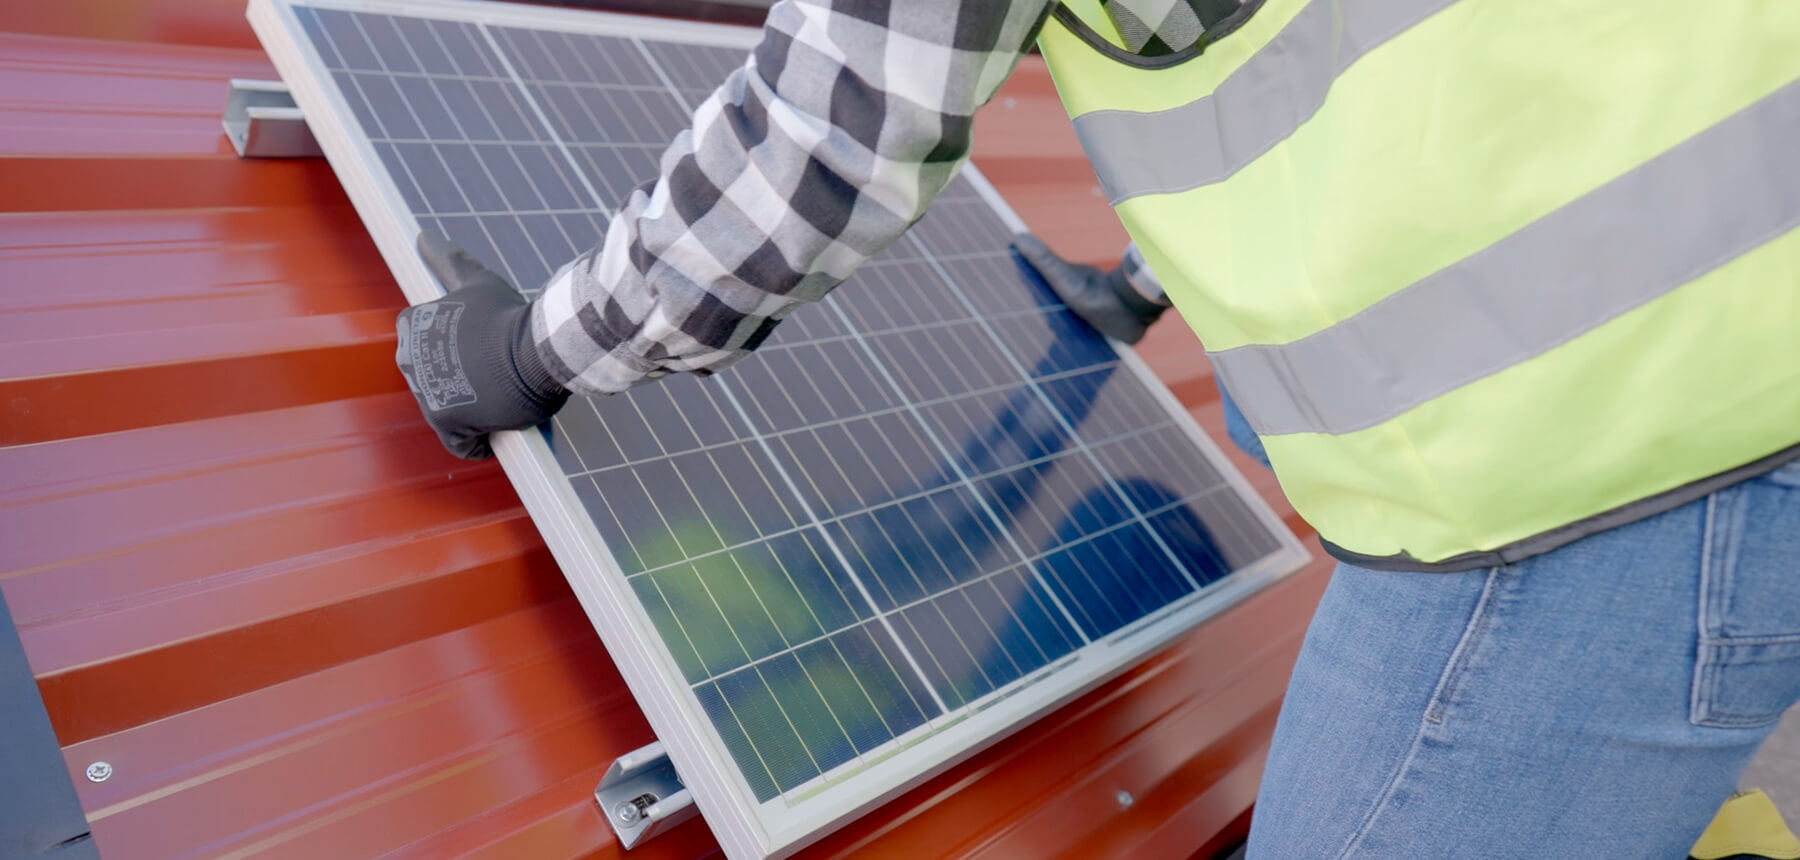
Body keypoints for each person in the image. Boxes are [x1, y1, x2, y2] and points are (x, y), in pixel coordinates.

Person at [393, 1, 1800, 856]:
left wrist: (538, 344)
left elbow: (826, 134)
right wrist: (1145, 282)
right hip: (1734, 318)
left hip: (1618, 442)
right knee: (1264, 434)